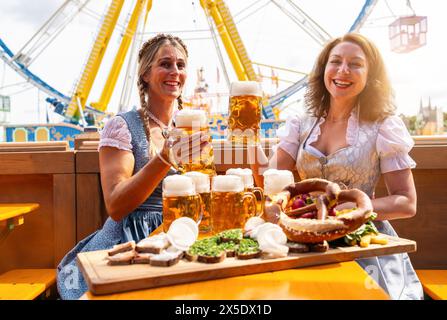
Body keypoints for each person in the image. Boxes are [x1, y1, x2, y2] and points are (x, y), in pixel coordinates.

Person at [249, 33, 423, 300]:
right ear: (323, 70)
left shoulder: (384, 126)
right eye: (336, 61)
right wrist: (249, 139)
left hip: (360, 242)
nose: (343, 70)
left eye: (355, 64)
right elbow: (269, 181)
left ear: (369, 76)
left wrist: (351, 208)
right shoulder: (301, 123)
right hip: (304, 237)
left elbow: (406, 202)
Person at [56, 34, 209, 299]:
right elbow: (116, 205)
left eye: (181, 65)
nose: (175, 72)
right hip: (133, 240)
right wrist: (163, 159)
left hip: (183, 234)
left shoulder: (189, 128)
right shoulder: (123, 125)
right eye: (166, 64)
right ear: (146, 74)